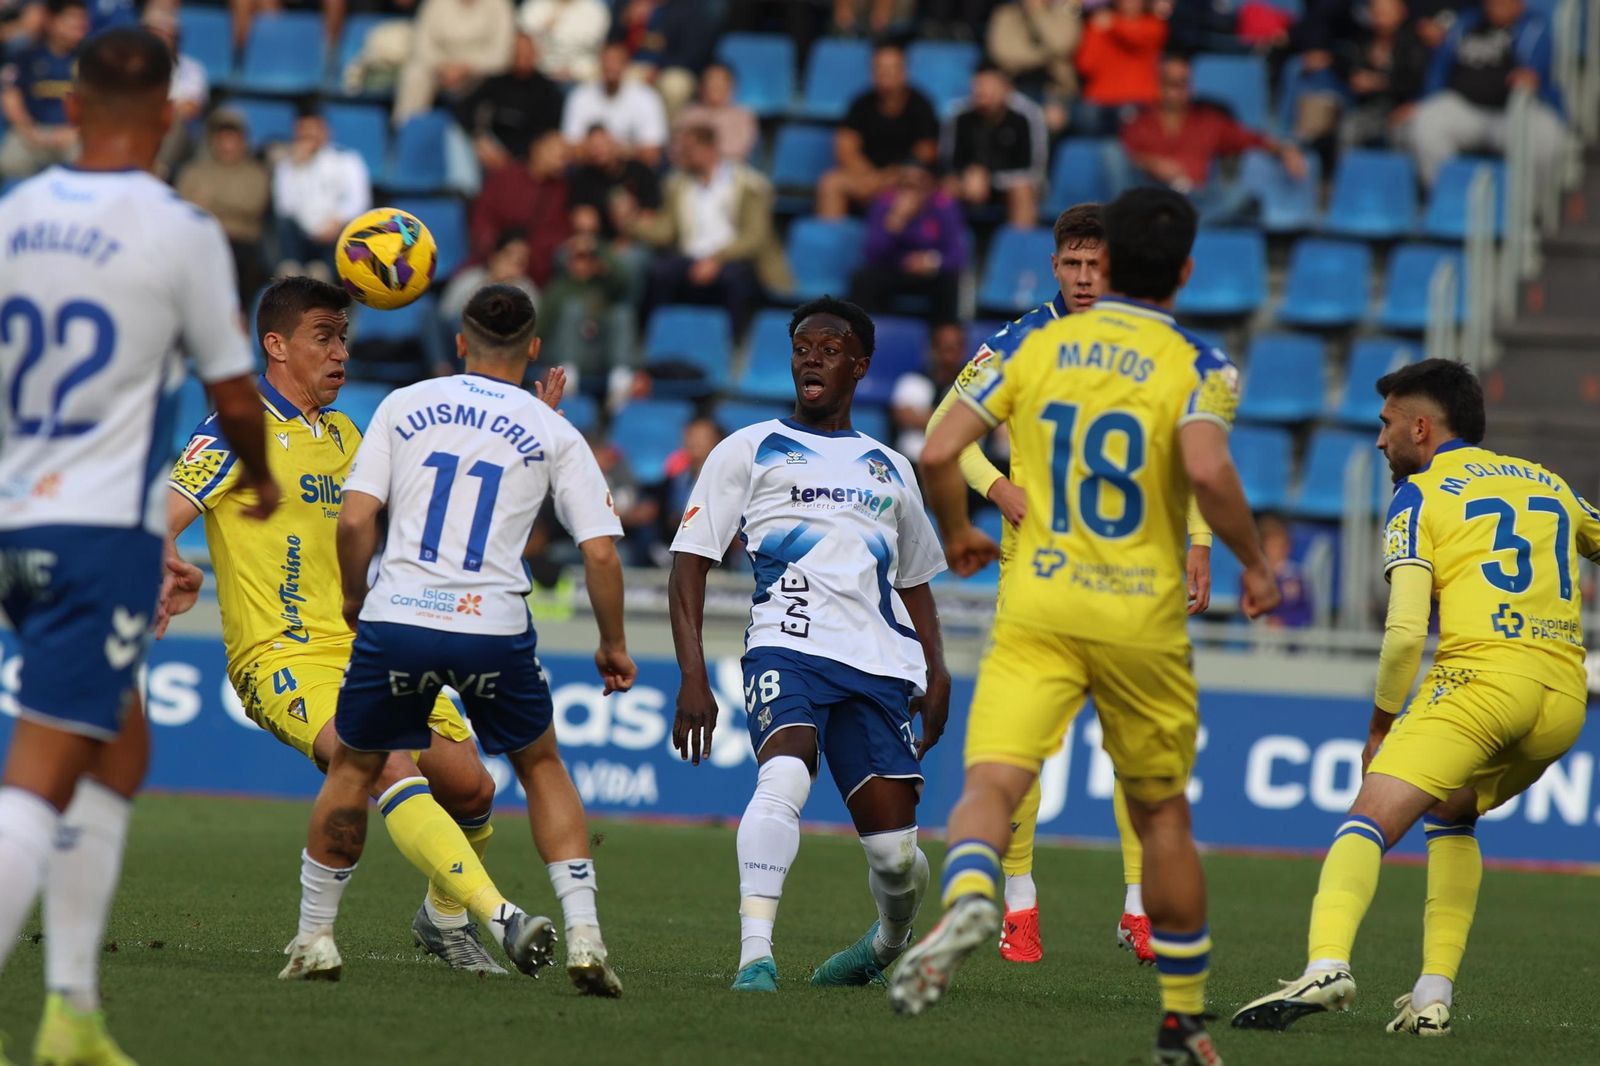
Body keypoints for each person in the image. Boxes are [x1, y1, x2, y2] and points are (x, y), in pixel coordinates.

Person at [892, 187, 1279, 1066]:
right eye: (1068, 262)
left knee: (993, 778)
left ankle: (972, 895)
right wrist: (1250, 560)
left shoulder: (1030, 348)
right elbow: (1206, 471)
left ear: (1114, 266)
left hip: (1040, 597)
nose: (1078, 274)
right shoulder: (1202, 363)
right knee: (1163, 812)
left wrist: (957, 528)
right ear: (1183, 270)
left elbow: (937, 448)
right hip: (1138, 609)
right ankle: (1180, 1019)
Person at [0, 26, 276, 1063]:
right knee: (41, 775)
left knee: (121, 744)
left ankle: (71, 1009)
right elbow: (235, 396)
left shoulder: (13, 215)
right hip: (96, 532)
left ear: (69, 107)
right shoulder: (180, 229)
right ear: (169, 117)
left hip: (17, 521)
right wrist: (256, 483)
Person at [162, 277, 541, 979]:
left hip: (368, 649)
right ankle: (502, 917)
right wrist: (164, 561)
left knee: (473, 790)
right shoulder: (237, 429)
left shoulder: (346, 433)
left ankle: (442, 920)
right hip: (283, 653)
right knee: (379, 759)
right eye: (323, 338)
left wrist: (525, 431)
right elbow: (164, 511)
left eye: (343, 338)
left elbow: (438, 491)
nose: (341, 353)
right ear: (276, 345)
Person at [280, 284, 633, 995]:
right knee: (540, 765)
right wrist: (612, 644)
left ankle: (315, 937)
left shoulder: (404, 404)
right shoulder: (551, 428)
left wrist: (353, 595)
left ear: (462, 342)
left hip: (400, 619)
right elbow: (599, 553)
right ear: (534, 348)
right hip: (490, 627)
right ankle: (586, 937)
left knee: (355, 768)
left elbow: (356, 520)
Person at [1232, 361, 1599, 1038]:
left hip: (1481, 681)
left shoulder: (1419, 494)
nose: (1380, 440)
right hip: (1563, 699)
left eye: (1387, 424)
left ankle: (1326, 964)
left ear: (1422, 427)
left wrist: (1380, 726)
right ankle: (1433, 995)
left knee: (1369, 815)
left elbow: (1405, 634)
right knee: (1453, 810)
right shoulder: (1548, 482)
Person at [921, 202, 1215, 968]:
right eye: (1073, 265)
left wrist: (1200, 541)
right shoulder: (1019, 341)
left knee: (1133, 749)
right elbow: (945, 435)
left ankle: (1137, 907)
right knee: (1021, 752)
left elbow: (1186, 455)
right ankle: (1019, 905)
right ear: (1054, 266)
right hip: (1037, 573)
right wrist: (998, 489)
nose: (1084, 278)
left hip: (1129, 573)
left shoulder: (1146, 343)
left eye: (1096, 265)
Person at [668, 296, 951, 992]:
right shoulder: (748, 447)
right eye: (802, 348)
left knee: (895, 858)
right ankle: (755, 957)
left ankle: (887, 943)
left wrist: (937, 670)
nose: (811, 360)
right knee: (784, 778)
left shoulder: (892, 467)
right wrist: (693, 676)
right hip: (785, 646)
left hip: (878, 665)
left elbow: (914, 580)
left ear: (860, 365)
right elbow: (690, 562)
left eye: (829, 349)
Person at [1116, 53, 1308, 224]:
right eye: (1169, 82)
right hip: (1152, 196)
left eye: (1182, 83)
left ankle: (1181, 225)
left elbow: (1253, 139)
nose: (1175, 90)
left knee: (1235, 196)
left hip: (1196, 200)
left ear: (1191, 87)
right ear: (1157, 84)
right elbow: (1123, 159)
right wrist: (1152, 164)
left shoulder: (1209, 121)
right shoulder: (1138, 122)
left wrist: (1285, 150)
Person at [633, 123, 785, 335]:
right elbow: (667, 230)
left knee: (734, 280)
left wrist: (716, 259)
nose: (684, 154)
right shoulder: (677, 185)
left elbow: (754, 237)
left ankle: (733, 340)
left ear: (710, 149)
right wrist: (632, 224)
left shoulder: (748, 184)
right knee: (659, 272)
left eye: (690, 149)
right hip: (690, 256)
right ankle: (657, 335)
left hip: (733, 257)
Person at [1406, 0, 1566, 193]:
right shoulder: (1466, 22)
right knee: (1425, 122)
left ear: (1519, 4)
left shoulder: (1534, 26)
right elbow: (1440, 68)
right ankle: (1451, 197)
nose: (1495, 5)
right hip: (1466, 107)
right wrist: (1422, 101)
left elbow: (1534, 72)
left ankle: (1525, 203)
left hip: (1510, 114)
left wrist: (1529, 77)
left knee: (1547, 136)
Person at [816, 42, 940, 219]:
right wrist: (869, 177)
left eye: (892, 68)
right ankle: (831, 236)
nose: (885, 74)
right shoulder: (860, 104)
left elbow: (926, 152)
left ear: (904, 72)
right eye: (880, 68)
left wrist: (886, 178)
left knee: (917, 187)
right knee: (831, 183)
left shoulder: (921, 105)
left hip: (903, 180)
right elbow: (845, 148)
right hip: (866, 177)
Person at [176, 107, 272, 303]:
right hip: (197, 240)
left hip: (239, 241)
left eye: (232, 138)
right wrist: (226, 206)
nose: (227, 144)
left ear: (242, 140)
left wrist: (209, 204)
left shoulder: (256, 173)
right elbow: (180, 207)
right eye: (222, 138)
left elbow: (252, 205)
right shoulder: (194, 171)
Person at [850, 160, 966, 318]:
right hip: (893, 268)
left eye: (918, 184)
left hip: (928, 274)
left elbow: (957, 254)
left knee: (949, 281)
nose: (911, 191)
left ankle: (945, 331)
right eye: (905, 184)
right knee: (863, 278)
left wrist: (930, 261)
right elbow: (871, 253)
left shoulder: (944, 207)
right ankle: (868, 328)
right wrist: (895, 222)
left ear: (931, 185)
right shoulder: (883, 204)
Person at [941, 63, 1048, 228]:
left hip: (1013, 183)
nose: (983, 92)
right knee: (946, 188)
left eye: (990, 86)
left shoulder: (1027, 115)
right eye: (978, 86)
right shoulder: (959, 115)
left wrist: (988, 177)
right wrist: (968, 174)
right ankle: (947, 242)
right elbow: (949, 162)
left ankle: (1020, 242)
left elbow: (1033, 169)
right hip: (971, 183)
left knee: (1023, 191)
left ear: (1007, 89)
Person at [271, 106, 372, 280]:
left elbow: (358, 201)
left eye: (312, 132)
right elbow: (284, 207)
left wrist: (336, 222)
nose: (308, 138)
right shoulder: (286, 166)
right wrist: (297, 169)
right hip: (301, 235)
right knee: (283, 227)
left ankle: (324, 275)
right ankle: (291, 274)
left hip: (335, 233)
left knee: (349, 232)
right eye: (303, 133)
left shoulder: (347, 160)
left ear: (325, 131)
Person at [470, 129, 572, 286]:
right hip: (490, 263)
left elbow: (556, 236)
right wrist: (497, 253)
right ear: (537, 148)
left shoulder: (562, 191)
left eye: (565, 154)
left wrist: (522, 259)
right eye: (555, 150)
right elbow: (482, 218)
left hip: (531, 275)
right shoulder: (505, 177)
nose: (561, 158)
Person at [0, 0, 89, 178]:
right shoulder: (26, 56)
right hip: (32, 132)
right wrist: (29, 131)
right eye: (72, 17)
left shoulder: (91, 58)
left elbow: (103, 102)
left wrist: (78, 131)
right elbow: (11, 96)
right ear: (51, 21)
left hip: (74, 134)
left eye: (82, 18)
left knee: (85, 158)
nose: (79, 23)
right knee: (9, 161)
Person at [452, 31, 565, 171]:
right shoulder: (497, 82)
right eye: (518, 51)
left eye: (526, 52)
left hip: (529, 160)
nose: (522, 56)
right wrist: (479, 139)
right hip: (491, 153)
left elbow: (549, 134)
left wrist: (514, 157)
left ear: (536, 54)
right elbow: (463, 108)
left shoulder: (549, 92)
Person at [392, 0, 515, 123]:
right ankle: (405, 128)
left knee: (498, 79)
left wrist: (466, 68)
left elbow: (501, 54)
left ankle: (480, 131)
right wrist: (443, 66)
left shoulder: (500, 4)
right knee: (415, 73)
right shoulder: (434, 3)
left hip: (479, 71)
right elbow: (422, 44)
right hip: (441, 68)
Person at [561, 40, 669, 167]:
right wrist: (600, 151)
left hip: (631, 169)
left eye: (616, 61)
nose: (611, 66)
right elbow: (571, 146)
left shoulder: (647, 97)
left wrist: (614, 151)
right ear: (599, 63)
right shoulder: (580, 96)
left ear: (626, 64)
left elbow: (652, 153)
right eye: (607, 61)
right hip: (590, 168)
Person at [1075, 0, 1169, 136]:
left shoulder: (1154, 24)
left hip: (1138, 99)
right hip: (1099, 100)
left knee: (1129, 121)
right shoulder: (1099, 25)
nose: (1129, 3)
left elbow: (1136, 38)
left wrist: (1112, 24)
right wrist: (1097, 29)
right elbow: (1085, 65)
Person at [988, 0, 1082, 128]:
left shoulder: (1063, 10)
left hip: (1054, 86)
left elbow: (1063, 44)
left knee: (1054, 119)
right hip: (1014, 82)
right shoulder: (1006, 14)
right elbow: (1002, 52)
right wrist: (1047, 55)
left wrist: (1038, 13)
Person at [673, 61, 758, 162]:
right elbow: (676, 149)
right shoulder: (688, 114)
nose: (715, 86)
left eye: (720, 82)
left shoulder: (742, 116)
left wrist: (705, 154)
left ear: (731, 86)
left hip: (729, 168)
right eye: (711, 81)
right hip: (690, 168)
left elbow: (739, 150)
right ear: (701, 86)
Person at [517, 0, 610, 84]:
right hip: (541, 78)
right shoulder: (533, 7)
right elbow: (525, 45)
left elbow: (598, 48)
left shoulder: (595, 10)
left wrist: (575, 71)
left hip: (582, 79)